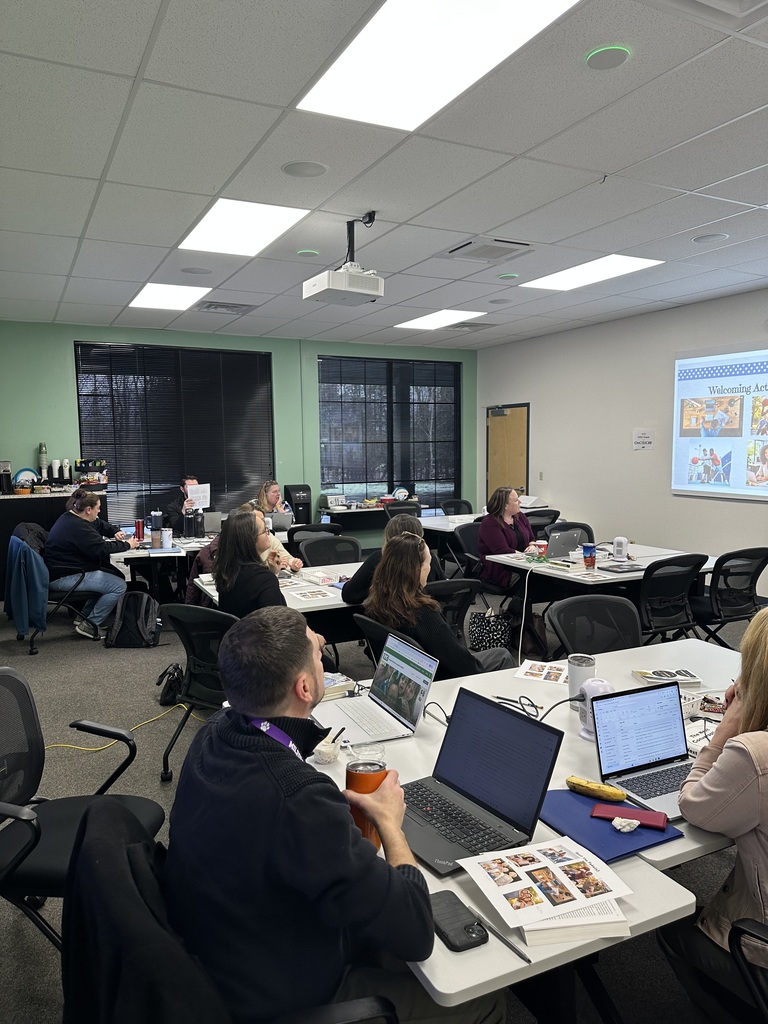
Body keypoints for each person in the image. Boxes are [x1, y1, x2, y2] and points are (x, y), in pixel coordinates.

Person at [163, 606, 504, 1024]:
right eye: (316, 651)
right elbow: (415, 933)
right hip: (281, 995)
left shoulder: (214, 734)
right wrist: (390, 825)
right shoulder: (297, 798)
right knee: (484, 1000)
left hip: (222, 952)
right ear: (304, 687)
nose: (322, 646)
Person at [657, 607, 768, 1018]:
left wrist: (726, 729)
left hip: (761, 948)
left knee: (671, 928)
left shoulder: (754, 756)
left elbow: (693, 804)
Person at [363, 533, 514, 680]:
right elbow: (463, 666)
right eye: (428, 563)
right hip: (441, 678)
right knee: (502, 655)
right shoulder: (424, 613)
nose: (429, 569)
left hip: (406, 674)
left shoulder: (376, 602)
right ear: (417, 569)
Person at [44, 489, 139, 638]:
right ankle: (90, 625)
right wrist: (128, 544)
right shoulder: (79, 528)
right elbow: (102, 549)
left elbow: (98, 524)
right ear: (88, 510)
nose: (99, 512)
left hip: (64, 572)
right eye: (98, 508)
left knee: (109, 579)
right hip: (64, 578)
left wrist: (114, 531)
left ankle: (83, 617)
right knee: (118, 585)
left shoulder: (71, 517)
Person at [342, 513, 444, 605]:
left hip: (389, 619)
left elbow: (350, 595)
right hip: (425, 616)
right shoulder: (428, 558)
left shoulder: (380, 558)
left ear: (389, 537)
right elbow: (445, 590)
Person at [212, 510, 283, 618]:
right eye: (265, 531)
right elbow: (278, 624)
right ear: (251, 540)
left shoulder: (227, 572)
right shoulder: (264, 579)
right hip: (262, 633)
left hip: (238, 633)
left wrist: (272, 572)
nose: (269, 534)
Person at [477, 487, 537, 590]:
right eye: (516, 500)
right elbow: (502, 550)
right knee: (533, 580)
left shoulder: (520, 516)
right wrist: (525, 556)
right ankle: (517, 604)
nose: (520, 502)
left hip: (523, 562)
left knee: (544, 578)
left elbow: (532, 538)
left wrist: (532, 545)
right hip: (501, 567)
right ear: (505, 505)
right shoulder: (490, 523)